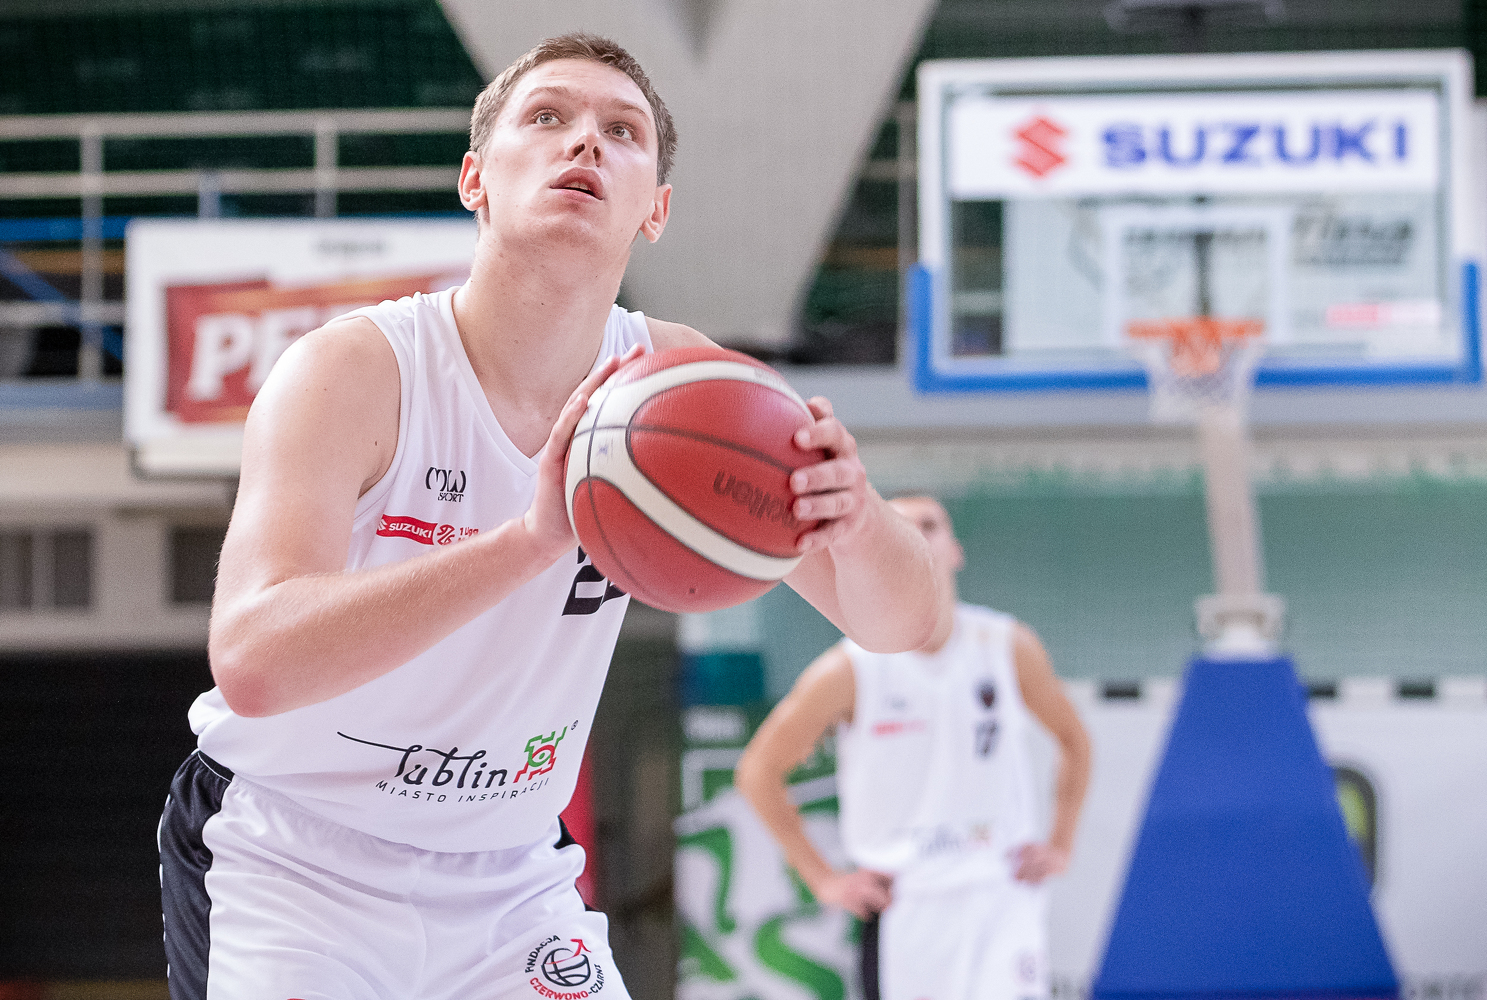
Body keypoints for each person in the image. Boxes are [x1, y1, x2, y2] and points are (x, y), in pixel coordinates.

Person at [156, 33, 939, 1000]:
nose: (585, 143)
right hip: (295, 855)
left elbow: (902, 623)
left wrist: (853, 520)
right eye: (547, 117)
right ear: (474, 179)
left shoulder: (689, 389)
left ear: (655, 210)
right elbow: (254, 663)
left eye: (622, 131)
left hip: (508, 877)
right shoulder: (355, 370)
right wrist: (532, 540)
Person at [736, 495, 1092, 1000]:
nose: (919, 535)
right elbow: (758, 770)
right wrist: (822, 879)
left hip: (1000, 893)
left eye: (930, 525)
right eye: (902, 527)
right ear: (885, 549)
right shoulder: (849, 669)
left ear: (956, 550)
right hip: (907, 902)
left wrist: (1061, 843)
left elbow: (1074, 740)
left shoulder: (1007, 645)